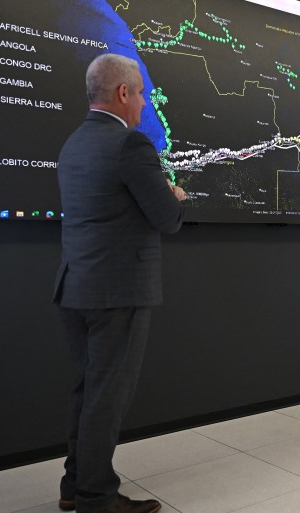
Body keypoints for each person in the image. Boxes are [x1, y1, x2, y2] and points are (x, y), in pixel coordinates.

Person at [53, 53, 186, 513]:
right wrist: (173, 195)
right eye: (142, 94)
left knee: (88, 390)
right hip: (117, 290)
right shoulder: (130, 144)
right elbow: (167, 219)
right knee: (107, 396)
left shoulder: (73, 143)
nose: (145, 104)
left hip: (76, 286)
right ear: (123, 92)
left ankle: (74, 485)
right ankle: (97, 497)